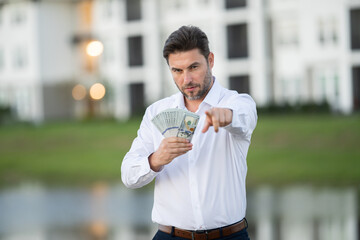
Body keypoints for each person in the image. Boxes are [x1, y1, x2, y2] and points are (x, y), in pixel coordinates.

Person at [121, 25, 257, 240]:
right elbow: (128, 175)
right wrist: (156, 160)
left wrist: (227, 116)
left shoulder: (236, 102)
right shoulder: (156, 113)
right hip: (169, 236)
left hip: (229, 236)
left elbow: (244, 116)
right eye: (177, 70)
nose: (187, 80)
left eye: (194, 67)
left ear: (210, 60)